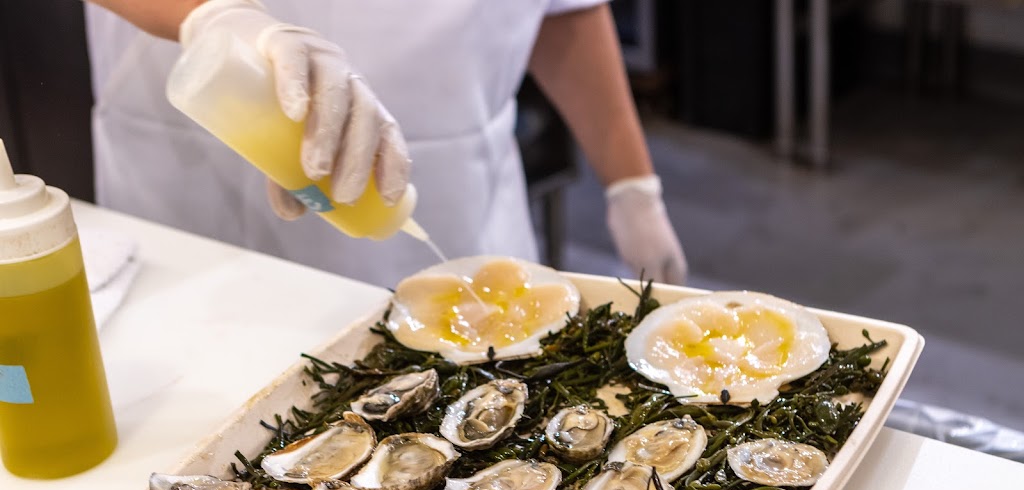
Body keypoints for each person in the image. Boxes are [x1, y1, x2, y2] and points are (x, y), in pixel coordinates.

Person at [84, 0, 687, 288]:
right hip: (195, 202)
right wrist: (207, 17)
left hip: (458, 204)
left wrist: (633, 187)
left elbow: (565, 11)